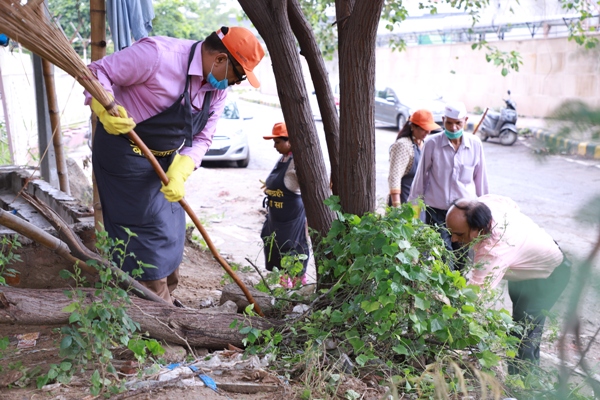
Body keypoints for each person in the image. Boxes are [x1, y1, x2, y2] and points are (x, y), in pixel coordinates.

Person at [86, 27, 265, 304]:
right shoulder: (158, 55)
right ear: (220, 59)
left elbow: (202, 139)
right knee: (144, 236)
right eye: (239, 75)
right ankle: (154, 307)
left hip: (166, 161)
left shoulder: (215, 92)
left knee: (171, 232)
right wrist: (102, 106)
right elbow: (95, 72)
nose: (237, 83)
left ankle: (168, 295)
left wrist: (182, 169)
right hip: (125, 156)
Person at [445, 194, 571, 373]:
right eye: (450, 232)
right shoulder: (486, 204)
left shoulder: (494, 250)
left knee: (523, 336)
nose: (453, 240)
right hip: (526, 267)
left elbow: (473, 296)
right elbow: (510, 204)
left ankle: (525, 381)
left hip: (550, 274)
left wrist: (447, 319)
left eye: (459, 234)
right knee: (519, 324)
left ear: (477, 229)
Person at [408, 100, 488, 269]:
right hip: (437, 212)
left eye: (458, 123)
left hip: (465, 214)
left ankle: (457, 284)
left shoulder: (475, 145)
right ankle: (444, 283)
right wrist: (413, 212)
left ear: (465, 121)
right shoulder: (432, 143)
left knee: (462, 258)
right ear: (443, 120)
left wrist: (487, 212)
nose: (453, 128)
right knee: (442, 256)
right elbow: (420, 179)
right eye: (449, 123)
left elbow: (481, 181)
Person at [260, 123, 309, 286]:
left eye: (277, 142)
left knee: (291, 251)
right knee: (272, 247)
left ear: (290, 141)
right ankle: (281, 284)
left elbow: (307, 187)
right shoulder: (283, 158)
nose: (275, 146)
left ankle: (295, 286)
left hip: (291, 219)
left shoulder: (298, 162)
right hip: (275, 218)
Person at [388, 109, 441, 207]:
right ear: (413, 126)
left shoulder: (423, 144)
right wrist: (397, 208)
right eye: (424, 128)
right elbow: (394, 178)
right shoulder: (403, 145)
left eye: (429, 128)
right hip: (404, 202)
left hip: (419, 203)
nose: (428, 132)